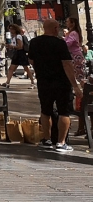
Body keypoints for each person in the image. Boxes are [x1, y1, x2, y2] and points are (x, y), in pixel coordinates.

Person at [28, 19, 84, 153]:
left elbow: (31, 60)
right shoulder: (60, 43)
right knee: (64, 112)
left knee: (45, 111)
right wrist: (75, 85)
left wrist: (41, 70)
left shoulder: (34, 42)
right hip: (61, 82)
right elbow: (67, 64)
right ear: (55, 28)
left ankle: (46, 140)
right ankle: (61, 142)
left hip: (44, 81)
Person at [1, 23, 35, 89]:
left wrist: (12, 46)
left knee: (26, 68)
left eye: (11, 29)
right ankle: (7, 82)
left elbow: (20, 46)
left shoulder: (18, 36)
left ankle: (33, 83)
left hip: (20, 54)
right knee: (11, 68)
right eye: (10, 29)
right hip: (16, 54)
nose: (10, 30)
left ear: (15, 29)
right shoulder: (14, 37)